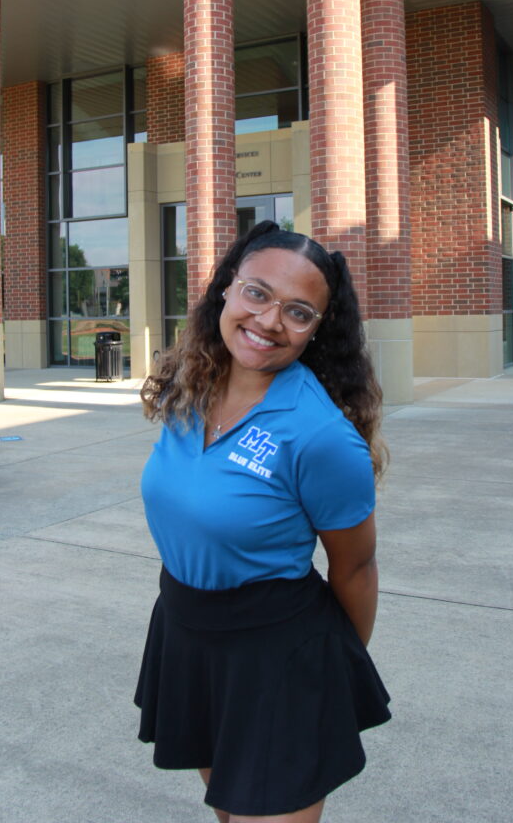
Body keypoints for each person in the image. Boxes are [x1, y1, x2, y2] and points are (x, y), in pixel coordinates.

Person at [135, 220, 391, 823]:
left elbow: (355, 567)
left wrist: (326, 674)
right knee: (227, 811)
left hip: (279, 653)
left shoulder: (321, 436)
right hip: (187, 631)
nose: (271, 320)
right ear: (227, 288)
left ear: (317, 330)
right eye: (257, 293)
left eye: (299, 311)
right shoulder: (189, 384)